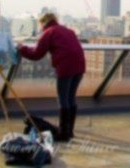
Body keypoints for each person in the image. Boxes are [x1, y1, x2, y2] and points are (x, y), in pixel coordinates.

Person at [17, 12, 85, 141]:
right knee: (71, 98)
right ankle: (69, 131)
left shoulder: (48, 32)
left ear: (43, 23)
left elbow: (37, 54)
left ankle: (63, 134)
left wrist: (22, 48)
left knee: (63, 99)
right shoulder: (67, 30)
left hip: (66, 67)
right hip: (80, 66)